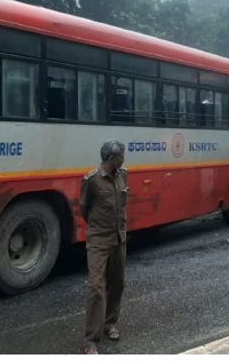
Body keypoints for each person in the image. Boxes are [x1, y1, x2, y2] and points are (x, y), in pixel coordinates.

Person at [80, 139, 128, 354]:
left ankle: (109, 323)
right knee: (96, 287)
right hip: (99, 240)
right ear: (111, 158)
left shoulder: (123, 175)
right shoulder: (92, 180)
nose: (124, 158)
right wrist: (98, 229)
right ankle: (91, 339)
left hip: (119, 239)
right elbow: (85, 208)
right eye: (121, 156)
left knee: (117, 283)